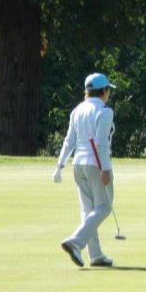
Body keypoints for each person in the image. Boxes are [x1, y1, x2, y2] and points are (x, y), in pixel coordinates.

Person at [53, 73, 117, 267]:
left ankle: (95, 255)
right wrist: (105, 169)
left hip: (78, 164)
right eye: (108, 90)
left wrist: (60, 165)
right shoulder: (105, 111)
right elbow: (100, 144)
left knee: (88, 210)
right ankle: (76, 241)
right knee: (104, 207)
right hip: (95, 163)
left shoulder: (77, 110)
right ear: (104, 91)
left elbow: (69, 141)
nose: (109, 94)